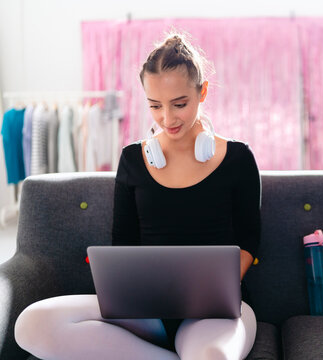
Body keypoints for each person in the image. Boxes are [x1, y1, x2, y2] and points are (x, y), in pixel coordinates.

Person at [14, 31, 261, 360]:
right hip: (145, 313)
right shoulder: (133, 159)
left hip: (213, 313)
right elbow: (124, 243)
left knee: (211, 357)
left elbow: (249, 241)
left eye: (179, 104)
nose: (167, 119)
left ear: (202, 92)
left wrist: (210, 292)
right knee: (30, 324)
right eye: (155, 106)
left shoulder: (238, 159)